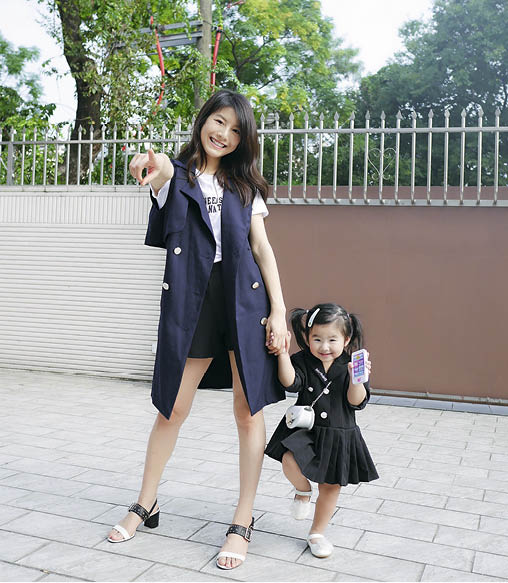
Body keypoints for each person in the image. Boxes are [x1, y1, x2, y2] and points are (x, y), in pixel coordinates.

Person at [107, 89, 288, 570]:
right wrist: (148, 166)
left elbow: (262, 249)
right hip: (194, 302)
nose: (223, 134)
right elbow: (157, 171)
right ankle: (145, 503)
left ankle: (243, 519)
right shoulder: (178, 174)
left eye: (235, 129)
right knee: (172, 407)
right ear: (203, 120)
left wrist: (279, 309)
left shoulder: (245, 186)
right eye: (218, 121)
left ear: (244, 139)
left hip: (244, 302)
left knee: (248, 412)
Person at [265, 303, 378, 558]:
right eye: (317, 339)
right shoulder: (303, 360)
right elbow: (290, 383)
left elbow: (356, 402)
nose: (324, 346)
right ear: (307, 338)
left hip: (339, 433)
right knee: (289, 459)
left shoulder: (351, 364)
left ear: (346, 339)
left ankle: (316, 533)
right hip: (307, 429)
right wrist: (283, 354)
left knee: (330, 486)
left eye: (332, 340)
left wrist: (357, 380)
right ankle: (303, 490)